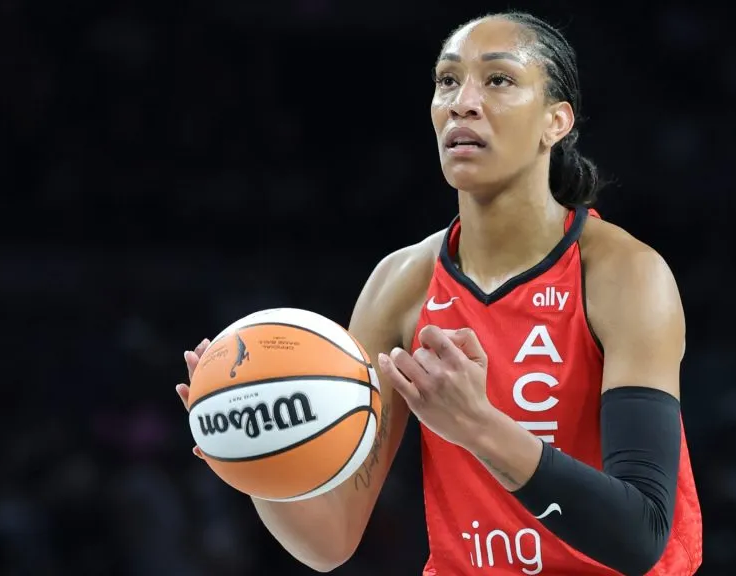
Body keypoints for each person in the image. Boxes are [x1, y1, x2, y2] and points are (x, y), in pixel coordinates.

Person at [176, 12, 702, 575]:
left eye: (498, 79)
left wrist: (478, 425)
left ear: (556, 121)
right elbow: (331, 538)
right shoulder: (401, 283)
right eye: (448, 81)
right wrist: (258, 453)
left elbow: (640, 535)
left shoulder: (624, 273)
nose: (462, 102)